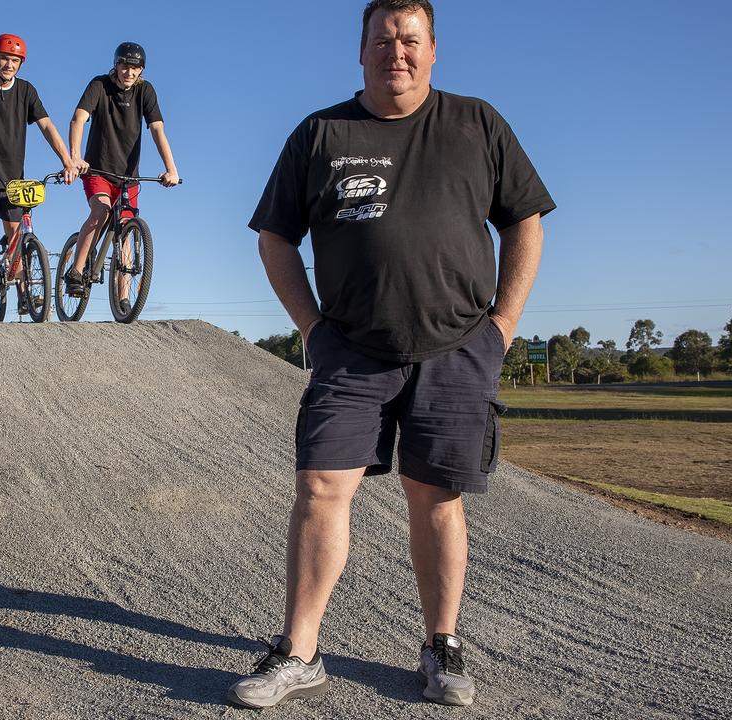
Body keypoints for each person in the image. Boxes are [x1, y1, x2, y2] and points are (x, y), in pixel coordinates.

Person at [226, 0, 554, 709]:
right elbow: (274, 237)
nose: (395, 52)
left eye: (409, 40)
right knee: (319, 489)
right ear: (361, 51)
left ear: (433, 50)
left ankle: (441, 647)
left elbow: (524, 220)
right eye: (382, 40)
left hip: (458, 346)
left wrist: (502, 324)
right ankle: (299, 651)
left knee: (436, 499)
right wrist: (312, 329)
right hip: (349, 350)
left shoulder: (477, 123)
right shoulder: (321, 133)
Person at [0, 33, 77, 322]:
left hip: (13, 179)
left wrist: (67, 161)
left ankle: (24, 295)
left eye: (14, 60)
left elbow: (46, 126)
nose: (8, 64)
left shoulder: (26, 91)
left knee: (17, 237)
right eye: (4, 58)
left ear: (20, 64)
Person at [62, 41, 179, 306]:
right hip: (97, 169)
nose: (129, 72)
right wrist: (75, 156)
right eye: (125, 66)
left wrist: (171, 168)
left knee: (126, 229)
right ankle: (76, 272)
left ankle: (123, 298)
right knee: (101, 211)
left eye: (135, 67)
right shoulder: (99, 85)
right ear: (116, 65)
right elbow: (78, 118)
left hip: (129, 177)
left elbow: (158, 130)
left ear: (142, 70)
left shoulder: (145, 91)